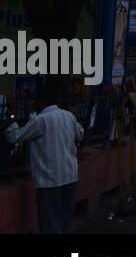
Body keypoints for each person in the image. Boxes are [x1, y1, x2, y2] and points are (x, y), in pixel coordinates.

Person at [4, 82, 82, 233]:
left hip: (49, 179)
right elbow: (80, 134)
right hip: (70, 175)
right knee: (64, 221)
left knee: (50, 223)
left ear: (41, 101)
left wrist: (12, 117)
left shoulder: (41, 120)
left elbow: (15, 136)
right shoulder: (69, 116)